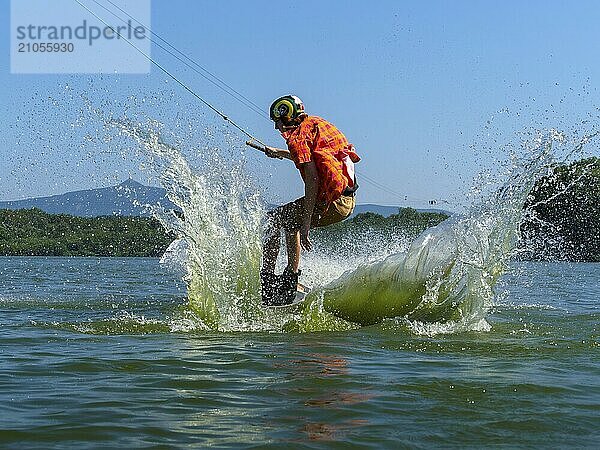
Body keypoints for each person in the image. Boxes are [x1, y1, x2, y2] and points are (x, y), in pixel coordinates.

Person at [260, 95, 361, 306]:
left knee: (274, 219)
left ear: (288, 117)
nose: (277, 126)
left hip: (333, 203)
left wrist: (306, 223)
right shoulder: (314, 124)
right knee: (287, 221)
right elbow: (311, 158)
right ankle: (290, 279)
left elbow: (313, 179)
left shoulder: (297, 139)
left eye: (278, 121)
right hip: (346, 199)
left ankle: (270, 281)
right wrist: (280, 153)